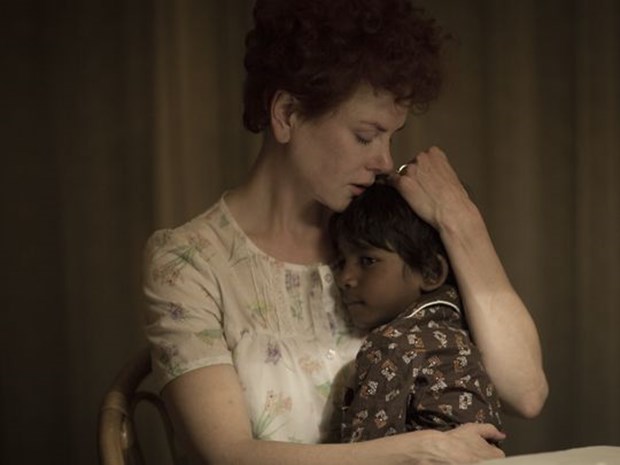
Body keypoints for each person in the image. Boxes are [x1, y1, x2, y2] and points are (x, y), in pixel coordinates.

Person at [142, 0, 548, 464]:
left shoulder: (383, 234)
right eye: (365, 136)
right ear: (287, 114)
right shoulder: (189, 261)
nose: (383, 160)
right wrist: (419, 449)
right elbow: (228, 455)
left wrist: (460, 220)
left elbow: (525, 391)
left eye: (391, 137)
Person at [328, 182, 502, 443]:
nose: (344, 278)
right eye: (341, 263)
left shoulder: (390, 344)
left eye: (368, 261)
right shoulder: (466, 330)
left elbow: (364, 451)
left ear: (431, 271)